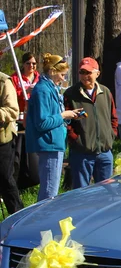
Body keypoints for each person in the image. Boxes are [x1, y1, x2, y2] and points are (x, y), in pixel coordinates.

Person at [26, 54, 82, 201]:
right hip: (49, 144)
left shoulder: (51, 88)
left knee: (51, 189)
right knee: (49, 193)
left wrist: (70, 116)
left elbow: (55, 115)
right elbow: (42, 122)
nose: (64, 79)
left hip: (55, 142)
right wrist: (63, 116)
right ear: (52, 72)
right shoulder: (43, 90)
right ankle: (43, 221)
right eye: (62, 75)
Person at [64, 58, 118, 188]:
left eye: (88, 72)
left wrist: (111, 134)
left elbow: (113, 117)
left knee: (106, 192)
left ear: (97, 74)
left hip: (105, 152)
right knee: (81, 192)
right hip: (82, 153)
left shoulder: (105, 92)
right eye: (82, 72)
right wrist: (76, 139)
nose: (85, 76)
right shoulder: (70, 94)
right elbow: (66, 121)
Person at [10, 52, 40, 190]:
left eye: (34, 63)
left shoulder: (39, 78)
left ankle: (34, 178)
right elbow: (11, 97)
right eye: (28, 63)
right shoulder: (15, 78)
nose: (31, 66)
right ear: (23, 64)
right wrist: (23, 92)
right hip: (20, 118)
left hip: (35, 118)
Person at [0, 71, 23, 214]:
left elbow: (13, 110)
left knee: (5, 180)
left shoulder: (4, 81)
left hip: (2, 141)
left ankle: (18, 218)